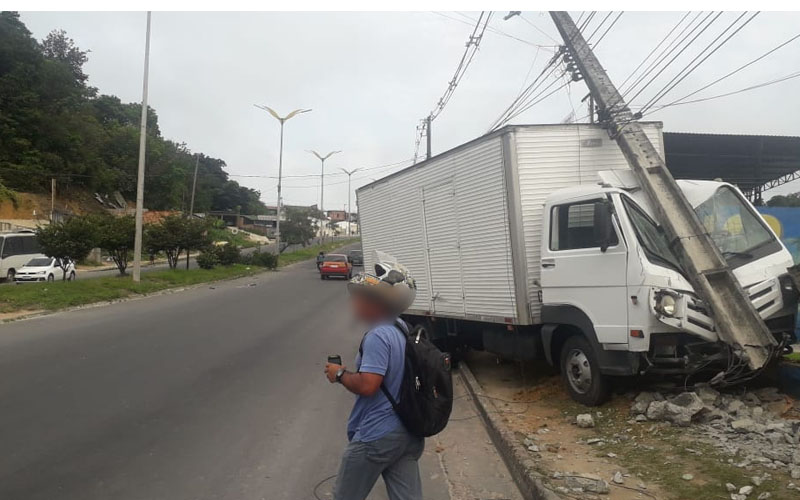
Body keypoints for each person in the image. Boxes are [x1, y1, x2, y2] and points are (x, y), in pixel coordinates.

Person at [324, 261, 422, 500]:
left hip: (377, 436)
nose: (354, 303)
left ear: (377, 303)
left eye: (359, 297)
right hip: (406, 433)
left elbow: (368, 385)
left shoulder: (378, 335)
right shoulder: (401, 328)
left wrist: (339, 374)